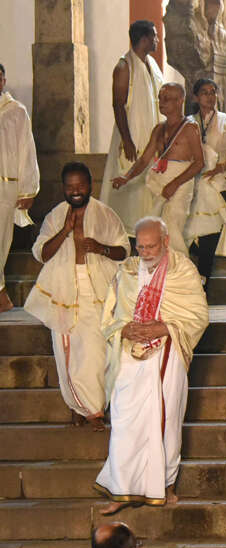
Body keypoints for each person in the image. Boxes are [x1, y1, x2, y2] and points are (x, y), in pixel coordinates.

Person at [94, 216, 209, 514]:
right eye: (140, 247)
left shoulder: (183, 270)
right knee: (124, 421)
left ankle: (165, 486)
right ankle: (120, 490)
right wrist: (123, 330)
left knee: (165, 421)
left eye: (151, 246)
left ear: (166, 242)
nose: (145, 252)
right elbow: (109, 316)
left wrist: (165, 327)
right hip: (129, 356)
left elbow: (198, 315)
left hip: (167, 352)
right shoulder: (126, 271)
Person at [24, 162, 129, 431]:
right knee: (68, 355)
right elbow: (41, 254)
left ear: (90, 185)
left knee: (96, 353)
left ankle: (91, 409)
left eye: (80, 185)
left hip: (98, 293)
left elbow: (124, 250)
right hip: (63, 292)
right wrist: (65, 230)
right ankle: (83, 409)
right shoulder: (55, 216)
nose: (76, 191)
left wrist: (101, 248)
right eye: (70, 187)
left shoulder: (105, 214)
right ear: (63, 188)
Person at [111, 83, 203, 255]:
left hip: (180, 185)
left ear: (180, 101)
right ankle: (165, 268)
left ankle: (183, 268)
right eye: (160, 98)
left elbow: (199, 163)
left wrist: (174, 184)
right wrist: (126, 177)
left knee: (172, 229)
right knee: (158, 231)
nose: (162, 103)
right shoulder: (159, 129)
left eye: (167, 99)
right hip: (159, 184)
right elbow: (145, 159)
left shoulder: (190, 127)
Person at [100, 20, 164, 237]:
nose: (157, 40)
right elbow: (118, 105)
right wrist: (127, 140)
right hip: (133, 136)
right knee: (130, 190)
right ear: (144, 39)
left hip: (152, 137)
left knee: (148, 190)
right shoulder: (124, 67)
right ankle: (127, 235)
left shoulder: (151, 64)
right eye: (154, 36)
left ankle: (149, 233)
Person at [184, 79, 226, 285]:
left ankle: (203, 286)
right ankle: (193, 285)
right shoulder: (188, 122)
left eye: (213, 92)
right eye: (204, 92)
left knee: (209, 241)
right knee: (189, 238)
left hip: (219, 185)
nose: (210, 97)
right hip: (192, 187)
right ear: (195, 97)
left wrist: (218, 168)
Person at [0, 63, 39, 313]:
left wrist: (28, 189)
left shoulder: (16, 111)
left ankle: (2, 297)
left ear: (4, 80)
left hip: (6, 186)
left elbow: (27, 150)